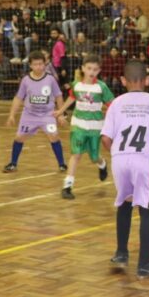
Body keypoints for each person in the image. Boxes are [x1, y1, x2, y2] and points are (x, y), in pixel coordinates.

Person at [101, 60, 149, 278]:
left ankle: (121, 253)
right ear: (147, 80)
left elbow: (106, 139)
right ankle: (145, 265)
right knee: (147, 209)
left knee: (125, 203)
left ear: (123, 81)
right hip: (145, 161)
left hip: (120, 160)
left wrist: (117, 155)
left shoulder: (116, 103)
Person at [53, 55, 115, 199]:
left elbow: (111, 105)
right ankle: (67, 186)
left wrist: (115, 121)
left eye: (95, 69)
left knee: (94, 157)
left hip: (95, 126)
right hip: (78, 124)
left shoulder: (101, 87)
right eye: (89, 68)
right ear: (83, 69)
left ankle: (102, 164)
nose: (91, 72)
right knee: (76, 154)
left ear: (99, 70)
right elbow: (72, 97)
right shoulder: (76, 84)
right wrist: (60, 111)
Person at [3, 51, 67, 173]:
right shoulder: (26, 80)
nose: (39, 66)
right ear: (31, 65)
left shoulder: (50, 79)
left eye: (41, 64)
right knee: (19, 137)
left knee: (54, 136)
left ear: (45, 64)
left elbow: (58, 96)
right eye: (36, 64)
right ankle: (13, 164)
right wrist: (12, 115)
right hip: (29, 115)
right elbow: (18, 98)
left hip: (47, 114)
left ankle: (62, 164)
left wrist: (61, 114)